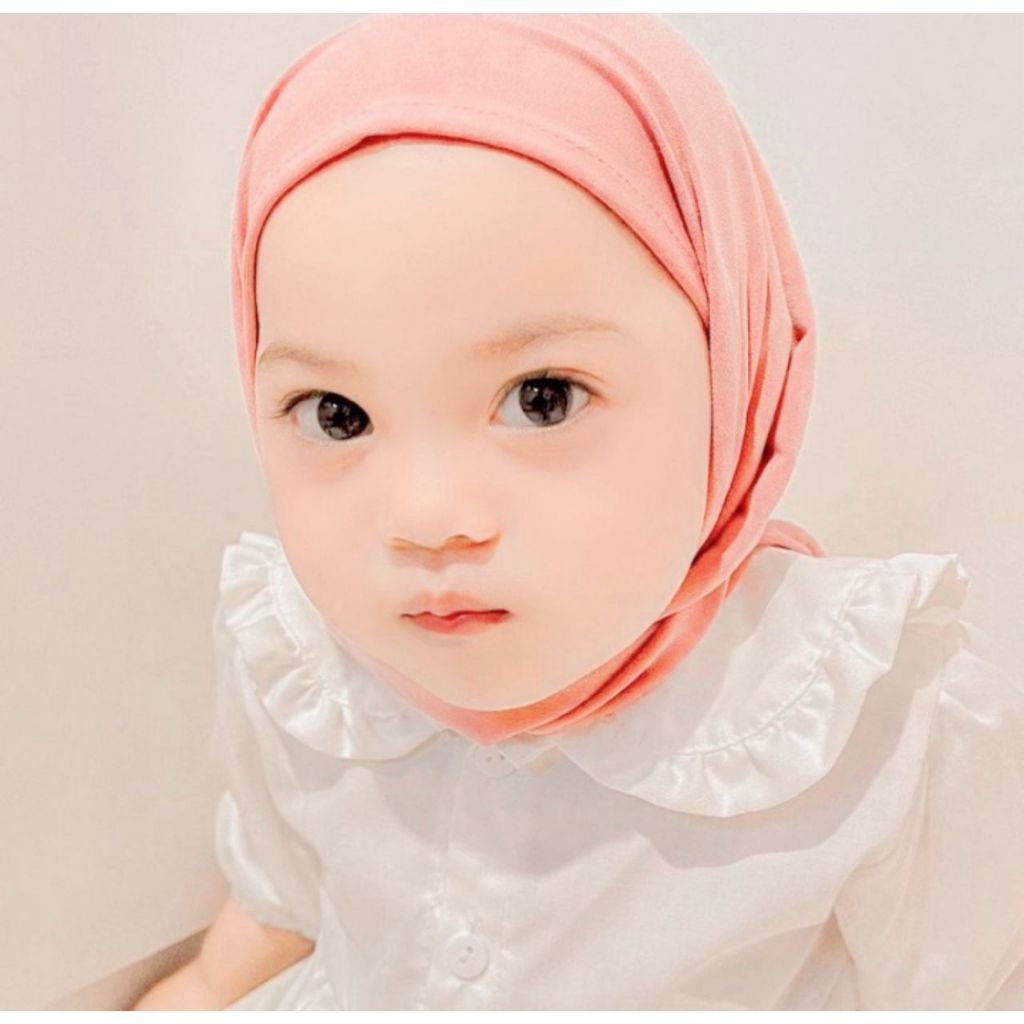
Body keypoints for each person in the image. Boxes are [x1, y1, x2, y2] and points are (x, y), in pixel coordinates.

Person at [131, 13, 1024, 1011]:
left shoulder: (866, 718)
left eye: (543, 398)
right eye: (337, 415)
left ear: (735, 375)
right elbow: (280, 894)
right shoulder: (297, 657)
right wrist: (201, 987)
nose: (427, 517)